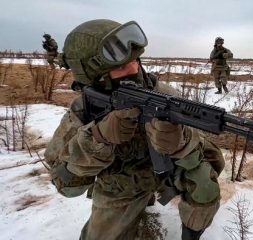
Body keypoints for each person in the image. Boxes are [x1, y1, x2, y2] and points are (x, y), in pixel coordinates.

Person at [44, 19, 225, 240]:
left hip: (166, 173)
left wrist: (183, 142)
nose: (134, 68)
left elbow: (214, 159)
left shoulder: (164, 94)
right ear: (95, 77)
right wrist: (98, 138)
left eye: (135, 60)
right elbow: (66, 185)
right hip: (120, 186)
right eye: (120, 66)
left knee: (205, 183)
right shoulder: (84, 110)